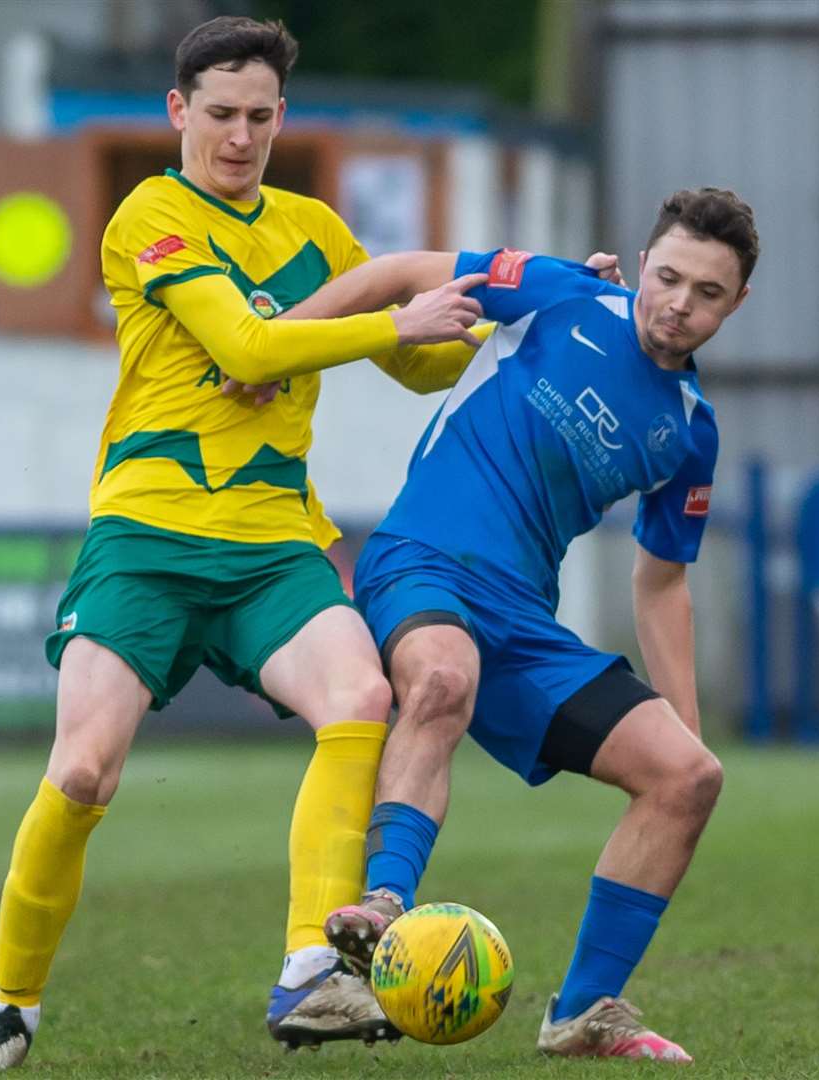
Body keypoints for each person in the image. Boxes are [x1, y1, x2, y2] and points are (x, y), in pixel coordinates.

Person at [0, 17, 488, 1072]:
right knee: (86, 773)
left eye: (259, 116)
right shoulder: (148, 214)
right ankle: (12, 1008)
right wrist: (389, 321)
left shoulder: (315, 228)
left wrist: (489, 310)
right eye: (220, 114)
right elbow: (248, 342)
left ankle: (309, 974)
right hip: (145, 536)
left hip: (271, 540)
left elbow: (419, 367)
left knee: (361, 700)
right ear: (178, 113)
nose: (239, 137)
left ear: (282, 117)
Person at [298, 189, 759, 1062]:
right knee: (440, 679)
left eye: (706, 292)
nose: (678, 304)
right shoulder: (560, 292)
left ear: (735, 303)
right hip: (420, 560)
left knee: (687, 778)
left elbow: (661, 584)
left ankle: (583, 1012)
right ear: (642, 261)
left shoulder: (689, 433)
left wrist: (686, 728)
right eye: (667, 277)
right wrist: (277, 350)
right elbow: (397, 273)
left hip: (521, 621)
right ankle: (382, 915)